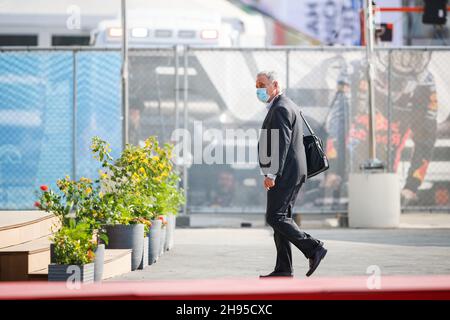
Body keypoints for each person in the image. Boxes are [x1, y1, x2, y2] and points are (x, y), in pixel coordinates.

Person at [256, 71, 327, 278]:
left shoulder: (280, 108)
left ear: (275, 85)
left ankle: (313, 248)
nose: (258, 89)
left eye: (262, 84)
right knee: (282, 218)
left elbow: (281, 143)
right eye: (256, 85)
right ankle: (284, 268)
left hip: (286, 173)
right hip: (291, 171)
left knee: (275, 216)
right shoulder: (285, 104)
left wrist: (272, 173)